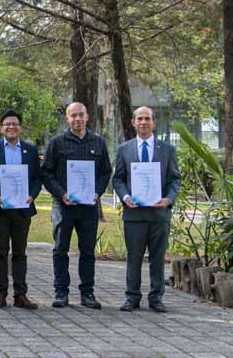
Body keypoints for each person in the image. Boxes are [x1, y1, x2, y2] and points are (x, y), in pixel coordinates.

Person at [41, 102, 112, 309]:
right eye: (73, 115)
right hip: (64, 206)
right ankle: (61, 292)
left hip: (88, 207)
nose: (77, 119)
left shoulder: (98, 142)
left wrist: (98, 192)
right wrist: (61, 194)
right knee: (61, 249)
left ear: (87, 117)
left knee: (87, 251)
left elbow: (106, 171)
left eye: (81, 115)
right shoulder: (57, 142)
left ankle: (87, 293)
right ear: (67, 118)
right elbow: (46, 172)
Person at [112, 106, 181, 313]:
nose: (143, 122)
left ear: (153, 122)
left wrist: (168, 199)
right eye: (139, 119)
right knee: (133, 258)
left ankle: (156, 298)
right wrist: (125, 197)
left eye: (147, 119)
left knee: (157, 259)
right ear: (133, 122)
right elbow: (118, 178)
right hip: (134, 214)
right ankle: (132, 297)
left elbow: (175, 180)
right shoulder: (124, 149)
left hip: (159, 214)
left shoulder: (168, 150)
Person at [0, 110, 42, 309]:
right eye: (7, 124)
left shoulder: (31, 151)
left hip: (23, 209)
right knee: (0, 252)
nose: (11, 127)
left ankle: (20, 295)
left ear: (20, 128)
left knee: (20, 253)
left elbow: (37, 178)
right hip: (0, 209)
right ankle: (0, 294)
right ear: (1, 128)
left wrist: (32, 195)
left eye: (15, 124)